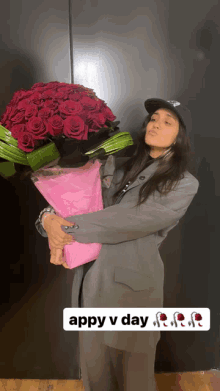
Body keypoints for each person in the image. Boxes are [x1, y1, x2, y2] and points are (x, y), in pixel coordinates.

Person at [35, 98, 199, 391]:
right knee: (95, 379)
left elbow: (129, 220)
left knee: (134, 381)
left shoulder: (183, 183)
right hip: (90, 286)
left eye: (167, 122)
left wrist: (65, 227)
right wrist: (47, 219)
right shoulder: (117, 166)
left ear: (180, 137)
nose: (156, 124)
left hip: (131, 294)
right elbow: (76, 203)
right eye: (154, 118)